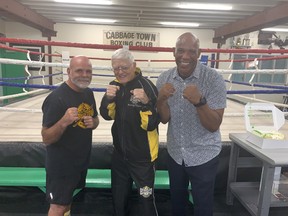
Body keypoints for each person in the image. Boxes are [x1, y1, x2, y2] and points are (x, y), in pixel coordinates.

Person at [156, 32, 227, 216]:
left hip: (203, 154)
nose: (185, 56)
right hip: (175, 153)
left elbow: (214, 125)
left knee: (203, 208)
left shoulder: (213, 79)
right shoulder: (164, 78)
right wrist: (161, 100)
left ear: (199, 52)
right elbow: (164, 119)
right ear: (174, 52)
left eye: (191, 51)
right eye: (181, 51)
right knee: (177, 205)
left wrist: (199, 102)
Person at [100, 48, 159, 216]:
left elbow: (152, 124)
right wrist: (108, 99)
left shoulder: (147, 86)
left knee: (146, 201)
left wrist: (146, 103)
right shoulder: (114, 85)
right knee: (119, 201)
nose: (120, 72)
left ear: (134, 65)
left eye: (124, 67)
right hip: (120, 156)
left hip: (143, 159)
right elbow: (106, 115)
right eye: (116, 68)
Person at [41, 55, 99, 216]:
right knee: (58, 206)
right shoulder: (56, 98)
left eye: (88, 71)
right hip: (62, 165)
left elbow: (96, 120)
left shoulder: (88, 93)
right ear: (69, 71)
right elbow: (46, 138)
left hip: (80, 162)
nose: (84, 75)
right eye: (79, 70)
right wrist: (63, 121)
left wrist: (93, 122)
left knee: (67, 203)